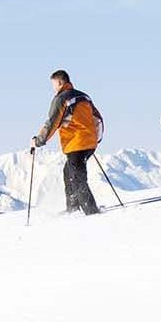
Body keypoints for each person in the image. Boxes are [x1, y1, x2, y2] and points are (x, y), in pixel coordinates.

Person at [31, 70, 104, 216]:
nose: (53, 88)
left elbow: (52, 123)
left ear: (59, 82)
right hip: (89, 143)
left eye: (53, 84)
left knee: (77, 178)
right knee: (68, 172)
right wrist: (95, 139)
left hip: (76, 143)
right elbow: (98, 119)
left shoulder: (62, 98)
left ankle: (92, 212)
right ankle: (73, 208)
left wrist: (38, 141)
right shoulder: (84, 96)